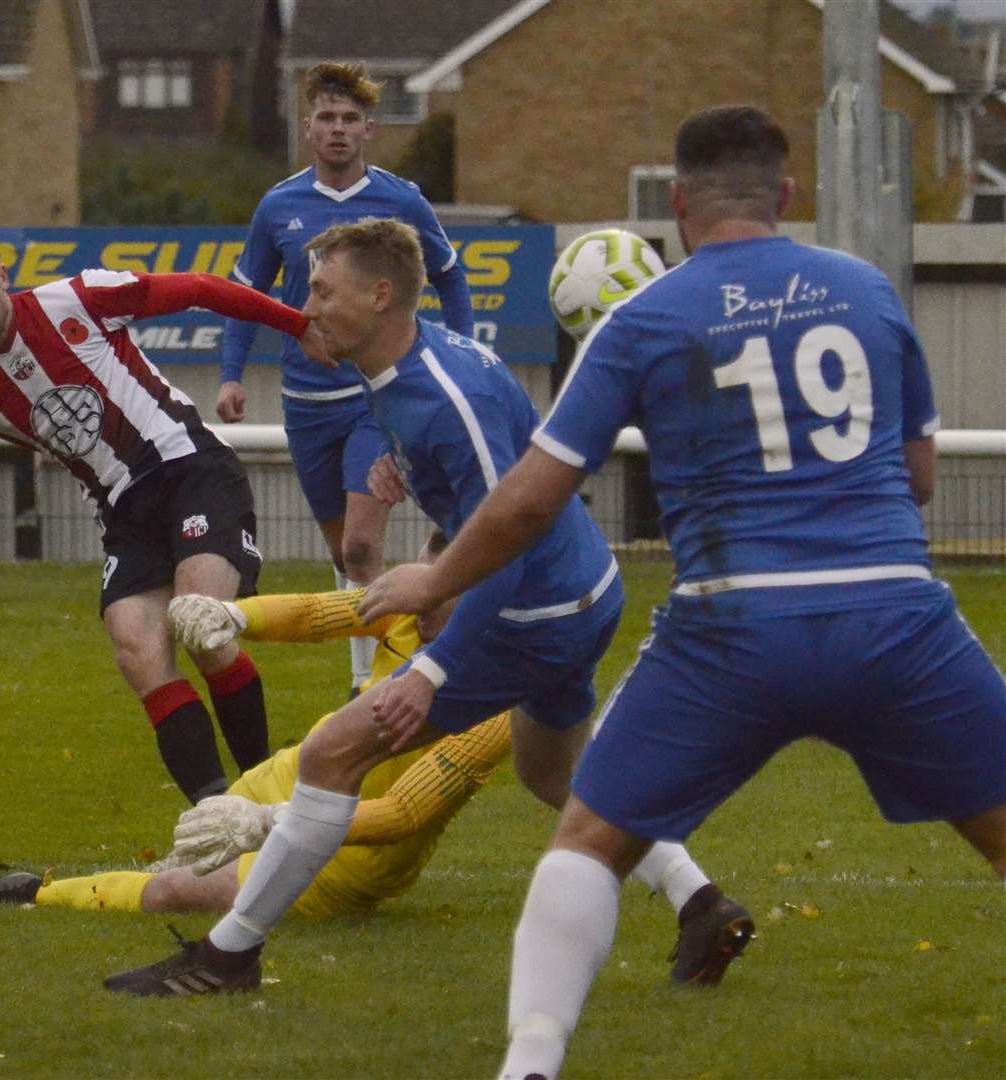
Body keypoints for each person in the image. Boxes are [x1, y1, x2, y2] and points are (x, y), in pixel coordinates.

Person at [358, 105, 1006, 1080]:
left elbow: (533, 498)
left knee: (585, 840)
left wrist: (435, 573)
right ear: (786, 195)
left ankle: (528, 1067)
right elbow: (915, 475)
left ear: (676, 203)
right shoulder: (867, 292)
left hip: (734, 625)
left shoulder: (644, 318)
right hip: (892, 617)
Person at [102, 217, 751, 997]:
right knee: (558, 777)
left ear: (379, 296)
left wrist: (431, 669)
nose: (306, 306)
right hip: (581, 592)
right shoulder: (414, 362)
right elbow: (494, 475)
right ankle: (701, 904)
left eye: (322, 290)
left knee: (330, 754)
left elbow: (510, 539)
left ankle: (226, 957)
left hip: (535, 611)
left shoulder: (446, 396)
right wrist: (397, 460)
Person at [0, 552, 732, 979]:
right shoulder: (422, 617)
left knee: (189, 889)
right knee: (182, 856)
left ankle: (32, 893)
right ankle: (694, 897)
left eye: (444, 585)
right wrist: (231, 614)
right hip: (298, 771)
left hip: (350, 857)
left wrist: (265, 821)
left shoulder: (499, 701)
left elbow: (405, 814)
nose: (422, 598)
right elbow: (328, 610)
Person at [0, 226, 323, 806]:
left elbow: (199, 288)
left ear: (2, 276)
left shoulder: (76, 299)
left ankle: (271, 798)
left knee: (198, 622)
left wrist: (299, 325)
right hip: (123, 511)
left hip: (190, 469)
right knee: (136, 644)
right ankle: (220, 819)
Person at [219, 61, 474, 695]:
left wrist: (463, 350)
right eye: (327, 118)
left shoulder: (401, 199)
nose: (338, 129)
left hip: (374, 398)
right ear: (308, 129)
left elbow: (450, 274)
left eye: (350, 119)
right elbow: (245, 295)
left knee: (363, 545)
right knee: (344, 556)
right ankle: (383, 663)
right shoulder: (279, 205)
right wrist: (230, 376)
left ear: (369, 130)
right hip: (306, 403)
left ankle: (378, 686)